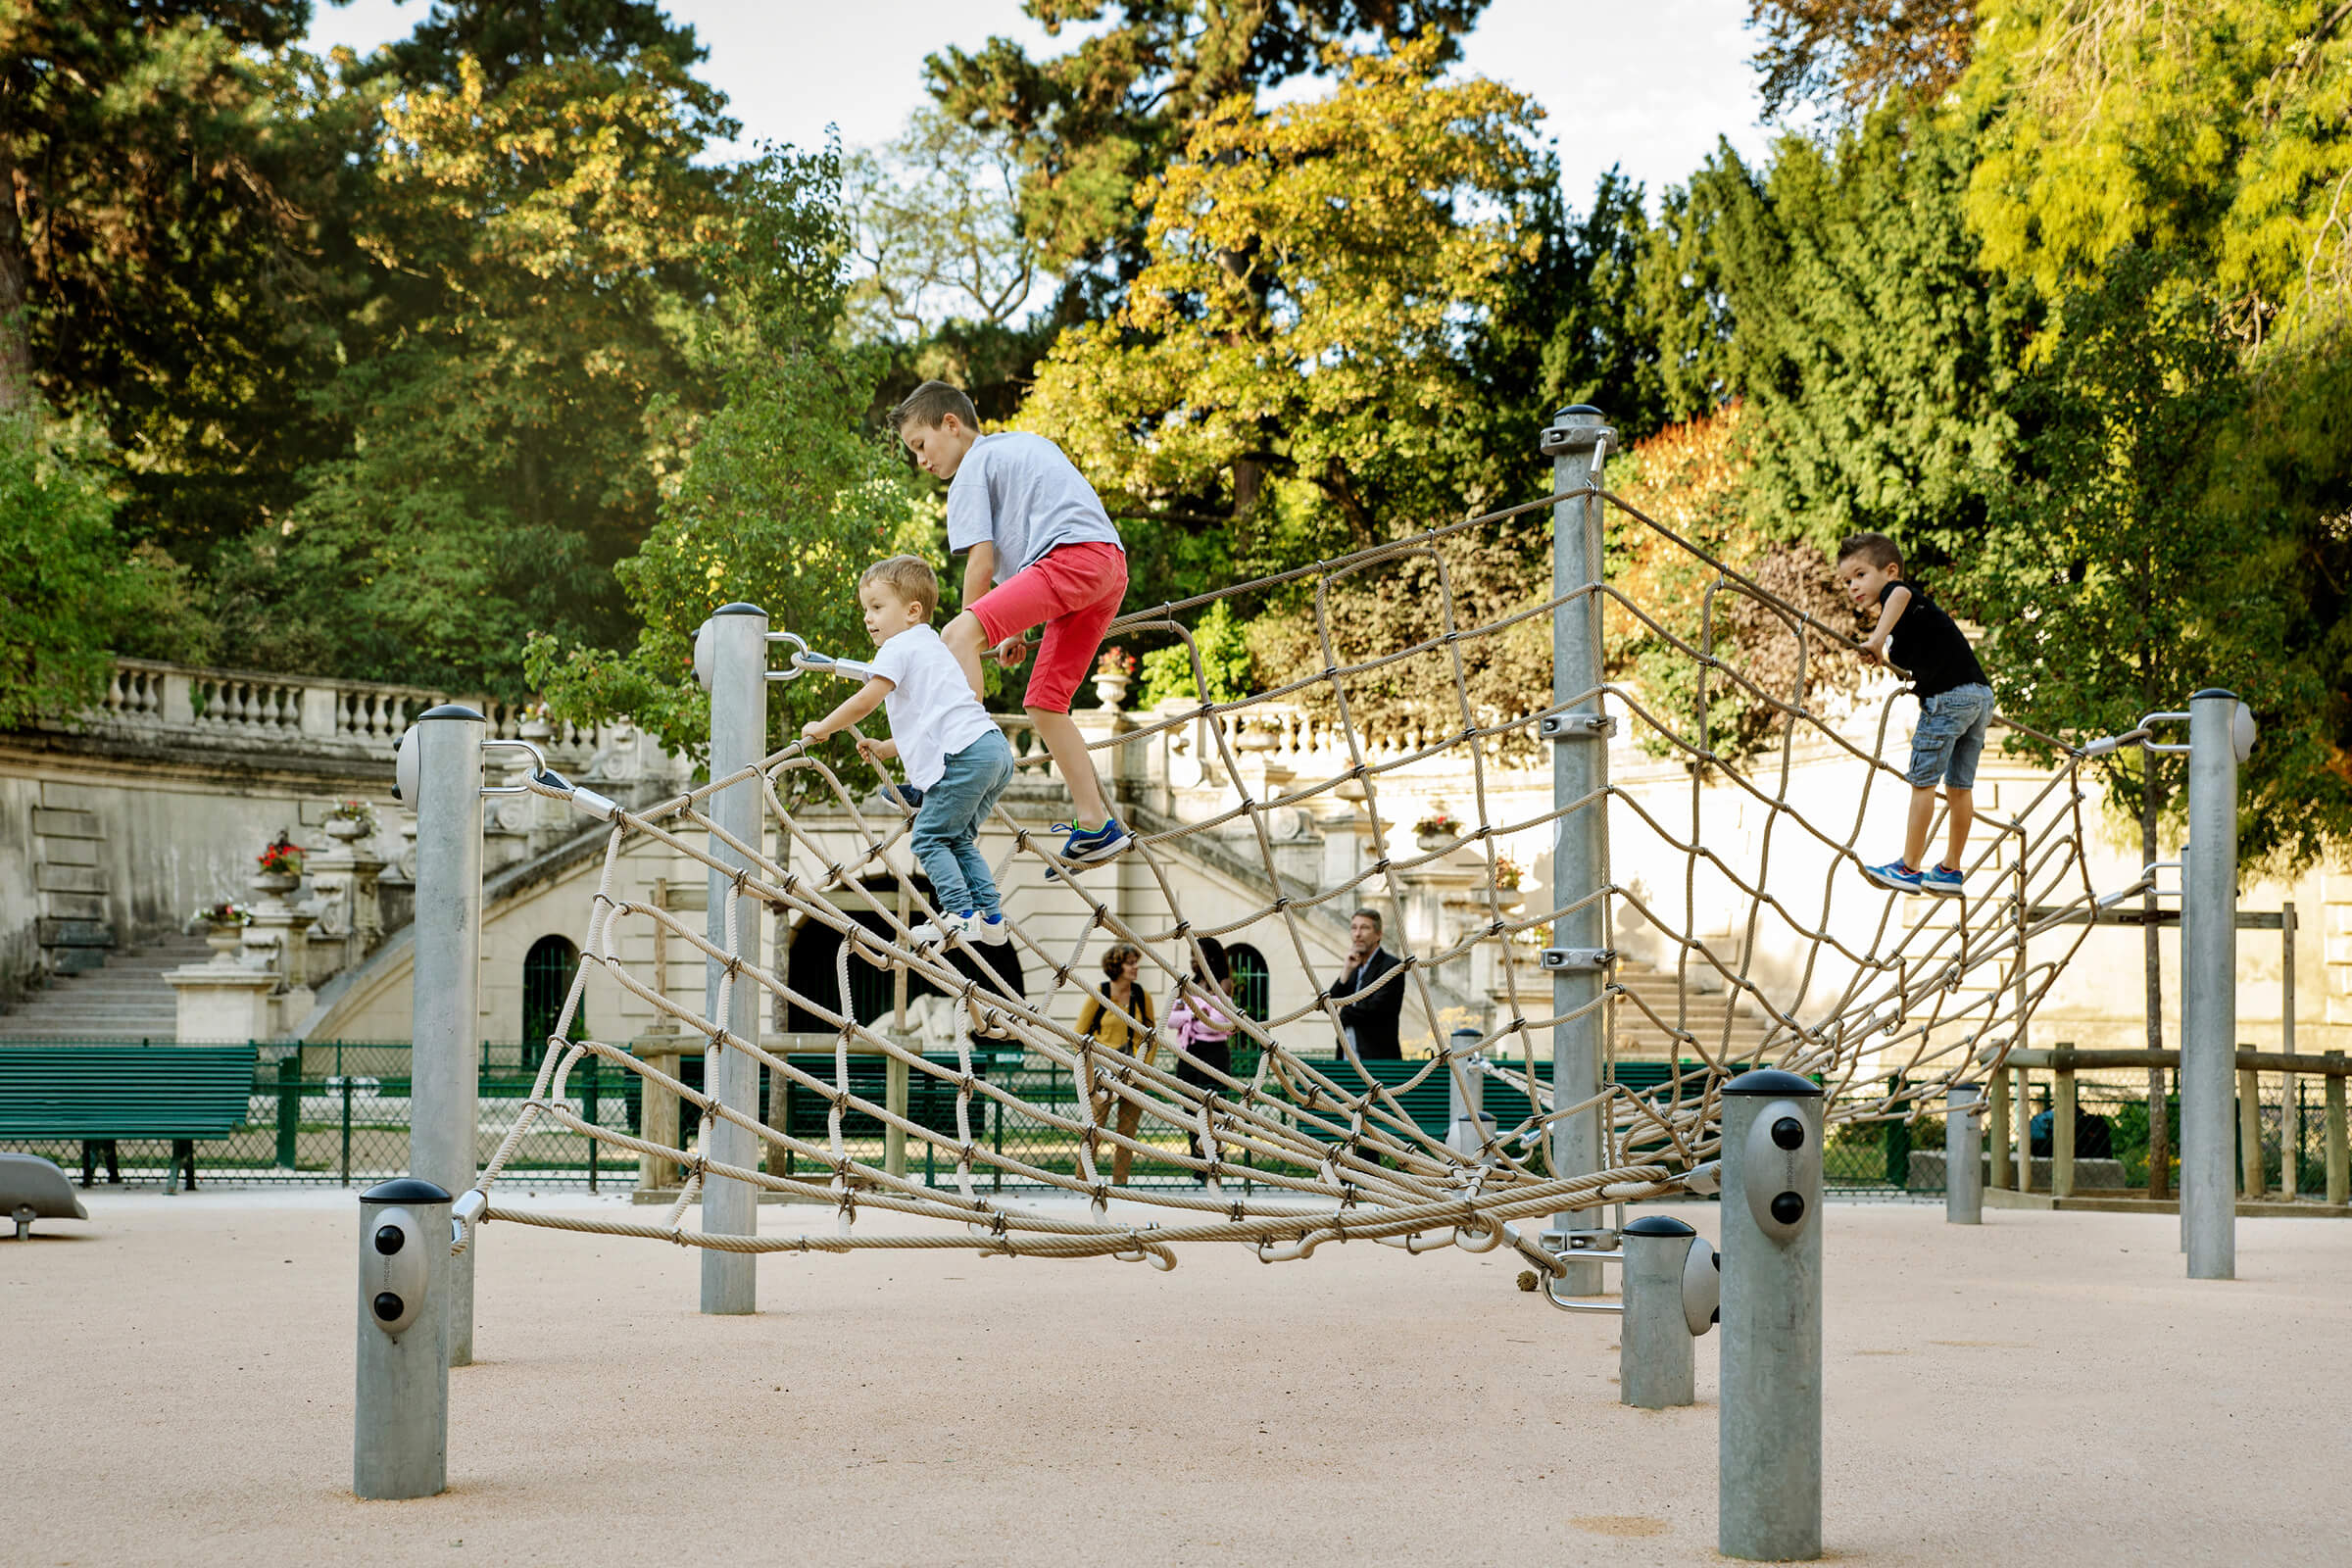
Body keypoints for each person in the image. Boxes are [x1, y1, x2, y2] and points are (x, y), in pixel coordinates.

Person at [890, 379, 1132, 867]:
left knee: (953, 635)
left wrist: (969, 631)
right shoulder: (1022, 445)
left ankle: (950, 769)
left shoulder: (971, 470)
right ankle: (1095, 825)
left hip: (1068, 560)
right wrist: (1012, 628)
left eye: (921, 445)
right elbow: (1027, 546)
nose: (921, 460)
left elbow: (981, 563)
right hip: (1106, 565)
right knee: (1045, 702)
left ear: (952, 425)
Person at [801, 555, 1014, 948]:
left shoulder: (897, 649)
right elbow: (932, 720)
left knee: (930, 839)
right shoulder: (932, 647)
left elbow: (866, 701)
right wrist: (887, 747)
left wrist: (822, 728)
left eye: (878, 607)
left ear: (913, 611)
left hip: (963, 756)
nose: (868, 618)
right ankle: (991, 917)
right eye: (866, 609)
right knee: (959, 840)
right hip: (993, 749)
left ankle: (959, 916)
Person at [1836, 531, 1995, 897]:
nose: (1852, 586)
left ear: (1890, 571)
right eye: (1847, 581)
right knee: (1959, 788)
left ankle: (1909, 867)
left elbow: (1901, 593)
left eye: (1860, 575)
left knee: (1923, 783)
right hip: (1979, 697)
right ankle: (1950, 869)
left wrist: (1875, 641)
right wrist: (1882, 647)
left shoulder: (1897, 594)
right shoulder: (1908, 618)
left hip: (1948, 700)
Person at [1074, 942, 1155, 1186]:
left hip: (1134, 1071)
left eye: (1135, 963)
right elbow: (1079, 1034)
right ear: (1116, 966)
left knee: (1127, 1132)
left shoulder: (1142, 996)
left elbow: (1151, 1038)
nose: (1135, 968)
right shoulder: (1099, 994)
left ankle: (1120, 1183)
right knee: (1094, 1126)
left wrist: (1144, 1067)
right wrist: (1093, 1065)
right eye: (1130, 963)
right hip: (1103, 1073)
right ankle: (1083, 1179)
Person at [1166, 937, 1239, 1173]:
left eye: (1197, 954)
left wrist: (1192, 1014)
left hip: (1214, 1054)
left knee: (1213, 1110)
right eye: (1191, 954)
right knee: (1190, 1109)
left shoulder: (1222, 984)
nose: (1192, 960)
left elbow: (1219, 1022)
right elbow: (1171, 1019)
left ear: (1211, 957)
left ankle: (1214, 1163)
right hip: (1189, 1051)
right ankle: (1198, 1164)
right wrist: (1198, 1014)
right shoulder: (1188, 985)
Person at [1328, 908, 1404, 1060]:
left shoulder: (1391, 966)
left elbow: (1376, 1010)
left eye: (1364, 928)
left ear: (1378, 934)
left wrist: (1343, 1010)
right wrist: (1346, 971)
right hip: (1346, 1059)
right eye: (1354, 928)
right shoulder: (1354, 968)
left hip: (1378, 1062)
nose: (1357, 934)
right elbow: (1327, 1006)